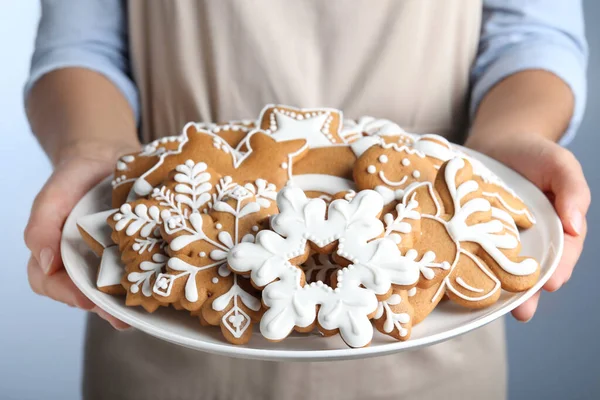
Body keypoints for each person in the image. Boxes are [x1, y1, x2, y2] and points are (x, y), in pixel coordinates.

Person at [24, 1, 590, 399]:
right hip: (166, 328)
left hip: (432, 312)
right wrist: (95, 148)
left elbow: (531, 33)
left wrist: (504, 143)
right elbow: (82, 42)